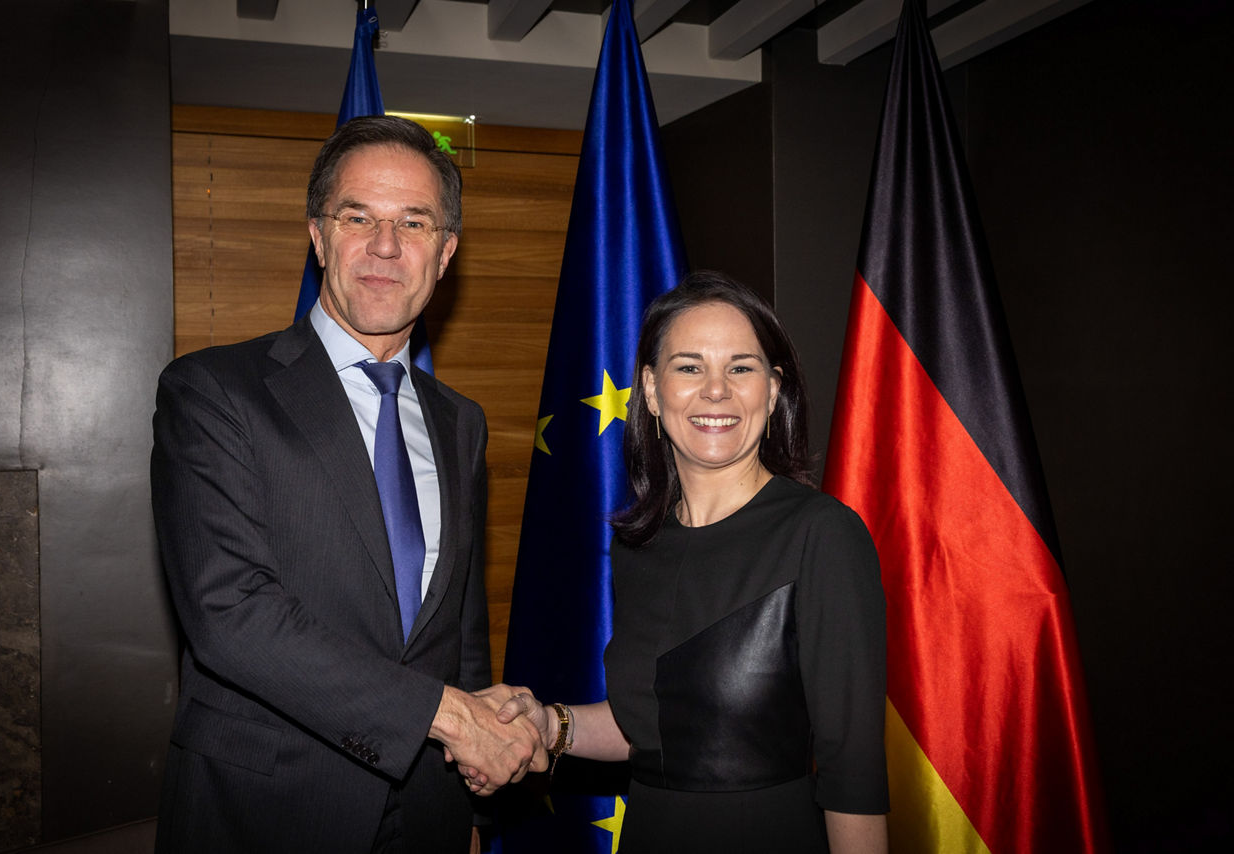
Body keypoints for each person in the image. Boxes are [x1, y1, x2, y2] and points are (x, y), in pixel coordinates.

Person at [151, 115, 545, 854]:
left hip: (428, 810)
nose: (386, 246)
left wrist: (470, 797)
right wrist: (453, 720)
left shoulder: (462, 422)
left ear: (446, 252)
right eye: (358, 216)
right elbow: (229, 613)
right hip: (264, 810)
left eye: (415, 222)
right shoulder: (213, 392)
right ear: (319, 234)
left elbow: (455, 629)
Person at [470, 271, 890, 852]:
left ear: (772, 391)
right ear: (649, 389)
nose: (715, 391)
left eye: (740, 368)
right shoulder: (638, 545)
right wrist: (550, 723)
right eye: (689, 367)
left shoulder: (823, 535)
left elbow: (855, 773)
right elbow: (649, 723)